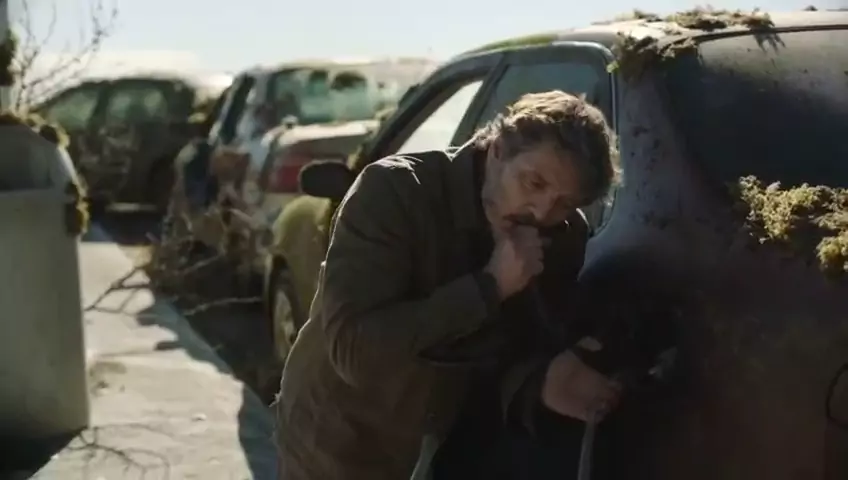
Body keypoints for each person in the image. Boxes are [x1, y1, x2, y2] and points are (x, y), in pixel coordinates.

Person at [276, 90, 622, 480]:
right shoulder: (395, 192)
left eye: (564, 203)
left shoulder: (561, 234)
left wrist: (543, 384)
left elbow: (514, 349)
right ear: (497, 150)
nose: (542, 212)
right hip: (340, 441)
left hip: (444, 448)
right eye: (534, 183)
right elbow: (355, 352)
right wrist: (489, 287)